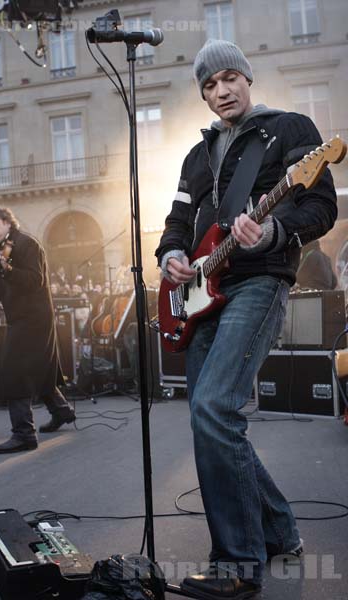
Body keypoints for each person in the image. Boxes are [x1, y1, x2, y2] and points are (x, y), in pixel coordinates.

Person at [155, 40, 337, 598]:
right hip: (205, 291)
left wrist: (277, 232)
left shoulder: (288, 130)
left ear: (247, 78)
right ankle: (278, 530)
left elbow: (320, 207)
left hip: (260, 281)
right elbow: (177, 222)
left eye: (229, 78)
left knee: (214, 407)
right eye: (209, 85)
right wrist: (171, 256)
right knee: (210, 418)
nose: (221, 92)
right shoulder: (196, 156)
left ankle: (237, 565)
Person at [0, 204, 76, 454]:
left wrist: (7, 270)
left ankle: (24, 434)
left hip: (32, 320)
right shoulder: (2, 252)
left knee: (13, 373)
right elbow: (1, 289)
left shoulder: (27, 244)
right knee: (40, 369)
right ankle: (62, 411)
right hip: (22, 319)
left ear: (7, 222)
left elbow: (35, 281)